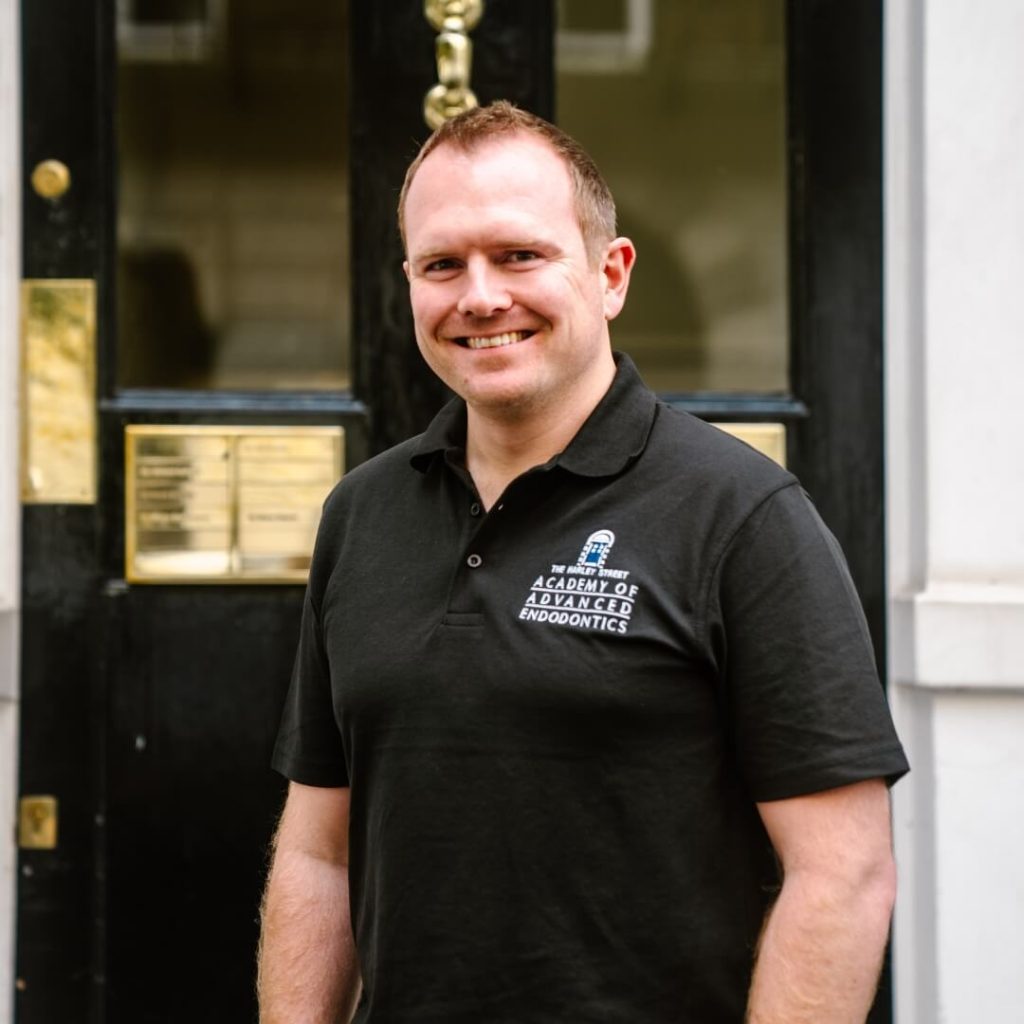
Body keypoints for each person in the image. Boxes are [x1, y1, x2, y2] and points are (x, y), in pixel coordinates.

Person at [258, 101, 908, 1024]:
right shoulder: (362, 514)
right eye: (442, 264)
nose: (479, 296)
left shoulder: (742, 516)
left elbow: (842, 873)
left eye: (519, 255)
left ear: (611, 274)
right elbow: (318, 853)